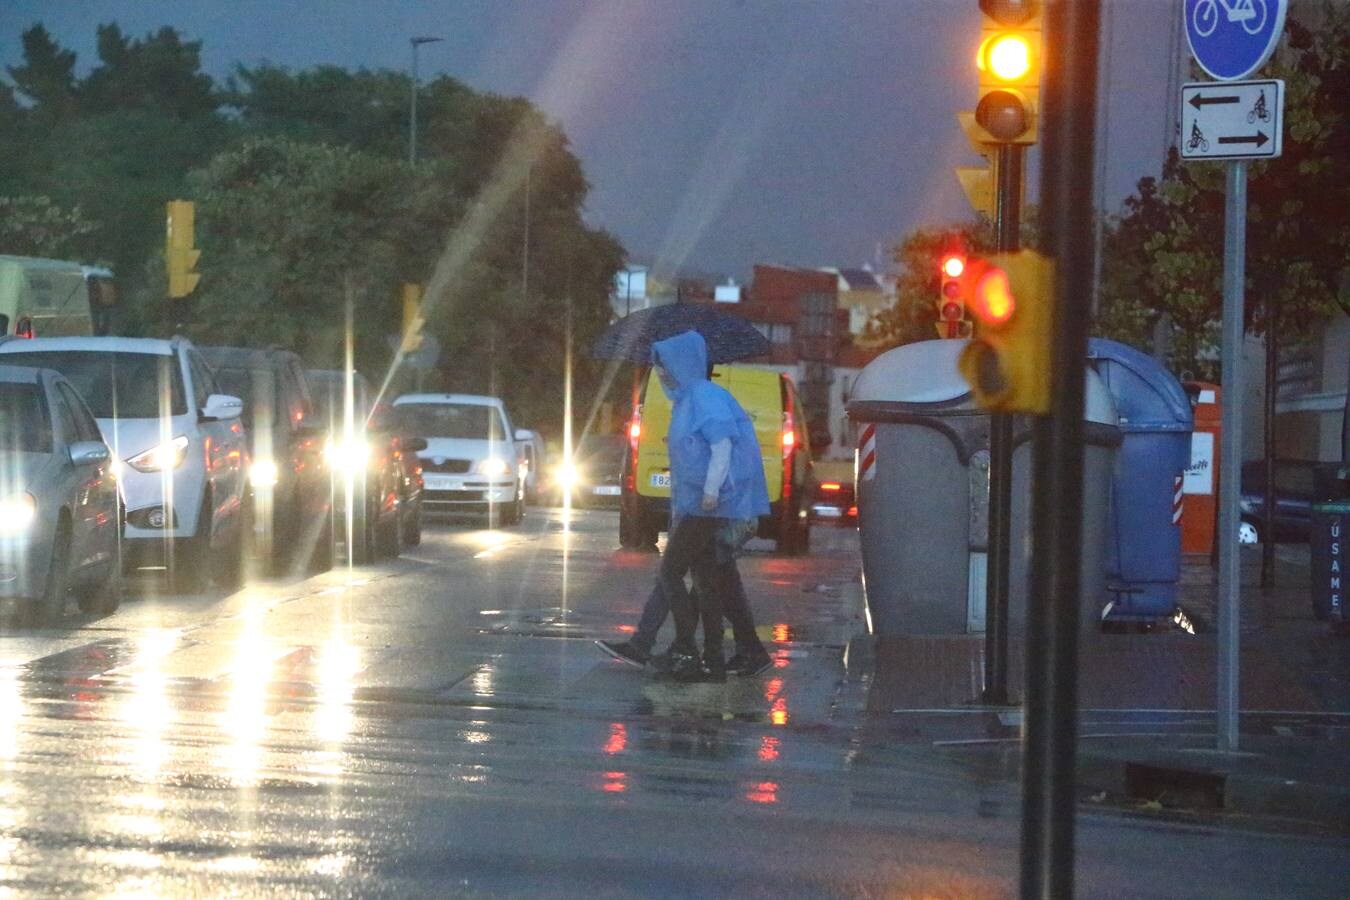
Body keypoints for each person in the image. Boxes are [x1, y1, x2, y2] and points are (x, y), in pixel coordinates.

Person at [596, 330, 769, 682]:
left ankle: (687, 649)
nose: (662, 374)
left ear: (683, 364)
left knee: (674, 572)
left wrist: (708, 491)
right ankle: (718, 656)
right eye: (658, 369)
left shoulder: (703, 397)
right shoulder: (691, 399)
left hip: (712, 506)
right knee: (712, 578)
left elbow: (721, 445)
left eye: (665, 366)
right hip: (704, 506)